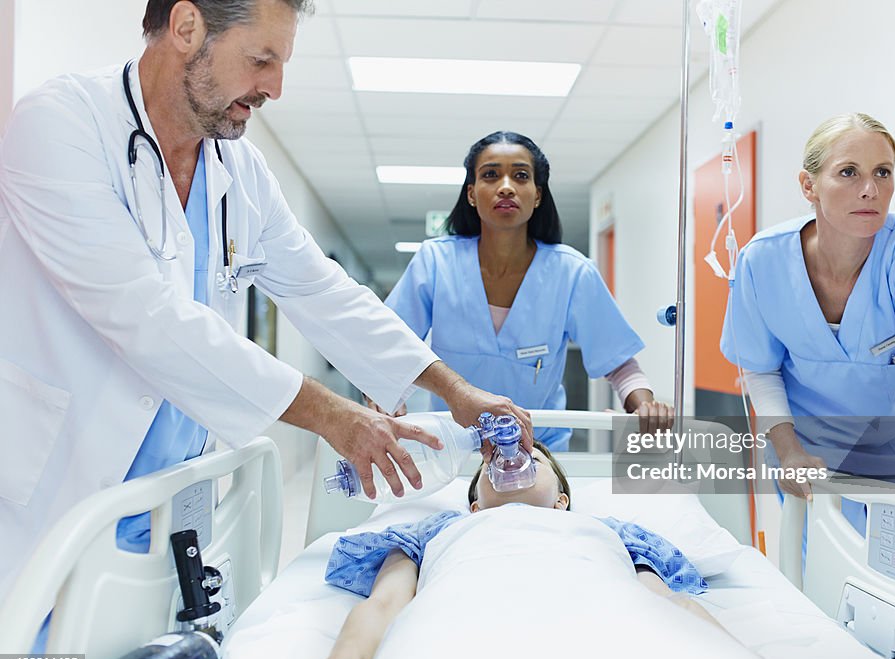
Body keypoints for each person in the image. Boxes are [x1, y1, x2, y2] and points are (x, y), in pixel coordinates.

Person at [0, 0, 533, 612]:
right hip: (54, 493)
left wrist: (455, 390)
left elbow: (318, 287)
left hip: (170, 504)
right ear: (186, 27)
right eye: (262, 60)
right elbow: (144, 315)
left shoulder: (239, 169)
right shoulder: (61, 125)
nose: (274, 88)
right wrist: (333, 416)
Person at [720, 113, 895, 534]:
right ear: (809, 186)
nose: (870, 189)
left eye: (883, 172)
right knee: (816, 583)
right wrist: (787, 450)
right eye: (849, 172)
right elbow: (760, 367)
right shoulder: (763, 261)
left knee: (894, 589)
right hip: (808, 461)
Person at [305, 445, 773, 659]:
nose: (512, 459)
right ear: (473, 508)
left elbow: (669, 605)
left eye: (533, 458)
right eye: (494, 462)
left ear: (561, 502)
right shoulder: (436, 531)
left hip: (602, 622)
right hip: (463, 625)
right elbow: (386, 603)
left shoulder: (610, 532)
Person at [381, 131, 671, 450]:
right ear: (472, 194)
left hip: (538, 453)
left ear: (537, 195)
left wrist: (643, 406)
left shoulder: (572, 272)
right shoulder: (435, 263)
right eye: (490, 174)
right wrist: (385, 397)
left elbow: (618, 361)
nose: (506, 186)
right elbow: (394, 346)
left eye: (520, 175)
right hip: (453, 451)